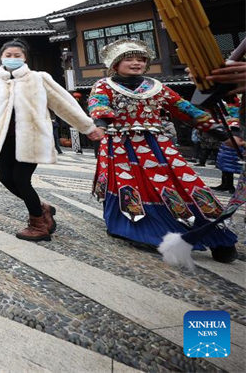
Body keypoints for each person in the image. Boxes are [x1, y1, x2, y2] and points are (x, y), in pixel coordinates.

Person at [88, 39, 237, 262]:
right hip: (119, 145)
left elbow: (183, 108)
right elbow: (98, 105)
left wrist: (219, 131)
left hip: (157, 145)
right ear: (115, 64)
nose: (136, 63)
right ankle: (134, 229)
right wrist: (99, 125)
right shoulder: (104, 85)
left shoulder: (157, 87)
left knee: (184, 183)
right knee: (128, 186)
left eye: (141, 59)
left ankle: (216, 235)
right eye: (129, 59)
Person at [0, 39, 103, 241]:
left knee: (22, 180)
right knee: (6, 178)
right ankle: (43, 208)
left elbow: (64, 104)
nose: (12, 59)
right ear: (1, 58)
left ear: (25, 58)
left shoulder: (39, 78)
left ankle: (38, 224)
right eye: (8, 55)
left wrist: (87, 127)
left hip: (31, 138)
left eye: (17, 56)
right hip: (3, 139)